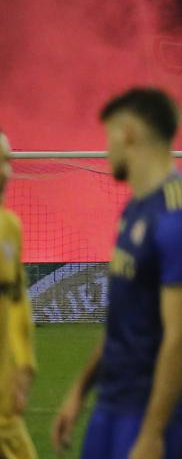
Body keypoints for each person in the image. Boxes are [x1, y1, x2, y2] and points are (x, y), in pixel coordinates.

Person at [52, 88, 182, 459]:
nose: (106, 148)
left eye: (108, 135)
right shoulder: (136, 209)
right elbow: (122, 321)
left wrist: (152, 433)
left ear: (127, 132)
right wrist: (79, 391)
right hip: (112, 402)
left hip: (157, 412)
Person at [0, 131, 38, 459]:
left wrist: (25, 364)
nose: (5, 172)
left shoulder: (10, 226)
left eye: (8, 162)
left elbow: (17, 300)